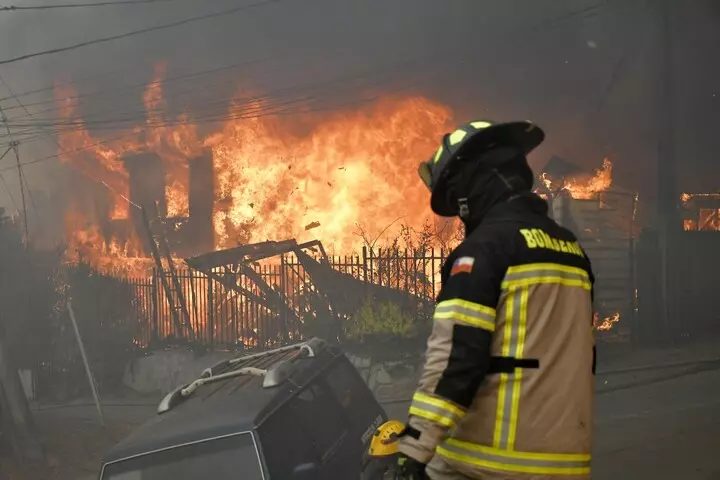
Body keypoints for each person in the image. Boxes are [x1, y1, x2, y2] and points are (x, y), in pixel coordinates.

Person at [396, 120, 595, 480]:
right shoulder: (571, 250)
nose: (461, 213)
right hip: (566, 461)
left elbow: (455, 361)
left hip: (491, 462)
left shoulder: (483, 251)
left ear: (472, 186)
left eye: (457, 196)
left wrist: (412, 449)